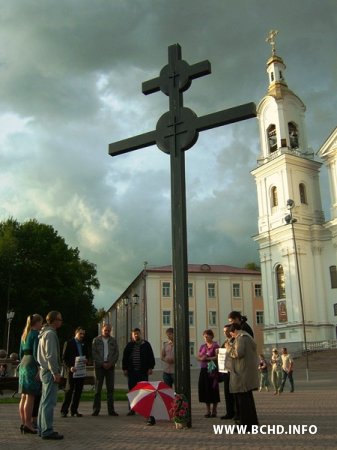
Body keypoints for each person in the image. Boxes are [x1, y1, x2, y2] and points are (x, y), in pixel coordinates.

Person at [225, 322, 259, 431]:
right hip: (246, 373)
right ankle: (252, 423)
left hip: (241, 374)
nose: (232, 336)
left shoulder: (241, 338)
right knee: (248, 401)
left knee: (243, 402)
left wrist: (229, 347)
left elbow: (238, 353)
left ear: (234, 331)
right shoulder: (248, 336)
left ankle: (245, 425)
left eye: (232, 334)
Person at [37, 311, 64, 440]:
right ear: (53, 320)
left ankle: (41, 428)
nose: (61, 321)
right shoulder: (51, 334)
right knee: (49, 402)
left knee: (44, 401)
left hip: (44, 370)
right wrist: (56, 372)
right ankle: (47, 430)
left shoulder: (43, 333)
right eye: (59, 319)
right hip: (49, 371)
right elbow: (51, 356)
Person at [18, 314, 43, 434]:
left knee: (23, 396)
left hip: (23, 364)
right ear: (36, 323)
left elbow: (20, 353)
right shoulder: (35, 335)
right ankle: (29, 424)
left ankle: (23, 423)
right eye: (41, 322)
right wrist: (39, 369)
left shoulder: (24, 334)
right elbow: (36, 353)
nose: (41, 325)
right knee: (31, 396)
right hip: (31, 365)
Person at [122, 328, 155, 416]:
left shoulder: (146, 344)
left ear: (141, 334)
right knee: (132, 391)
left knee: (144, 391)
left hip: (143, 372)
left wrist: (150, 367)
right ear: (132, 335)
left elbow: (150, 356)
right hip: (132, 372)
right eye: (134, 334)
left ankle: (144, 409)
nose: (136, 335)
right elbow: (125, 357)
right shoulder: (129, 345)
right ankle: (132, 409)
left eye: (137, 333)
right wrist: (124, 368)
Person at [92, 323, 119, 416]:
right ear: (102, 330)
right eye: (105, 330)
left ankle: (111, 410)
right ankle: (96, 410)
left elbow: (116, 353)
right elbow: (94, 353)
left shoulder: (113, 340)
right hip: (99, 367)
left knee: (110, 389)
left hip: (110, 367)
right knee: (97, 389)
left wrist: (110, 363)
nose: (107, 332)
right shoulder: (96, 340)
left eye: (109, 330)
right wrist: (102, 363)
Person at [60, 327, 88, 418]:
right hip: (71, 371)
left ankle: (74, 410)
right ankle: (64, 411)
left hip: (81, 370)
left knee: (78, 391)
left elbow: (86, 355)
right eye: (80, 334)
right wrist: (70, 367)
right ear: (76, 333)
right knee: (69, 391)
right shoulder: (68, 343)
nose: (82, 335)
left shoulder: (84, 343)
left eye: (83, 334)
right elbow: (64, 358)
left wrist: (86, 360)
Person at [197, 329, 220, 418]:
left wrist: (208, 358)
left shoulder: (215, 345)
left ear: (211, 336)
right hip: (203, 369)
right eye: (204, 337)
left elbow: (217, 357)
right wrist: (201, 358)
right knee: (205, 389)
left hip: (212, 369)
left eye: (207, 336)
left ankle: (214, 409)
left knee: (213, 388)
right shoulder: (203, 346)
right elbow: (199, 356)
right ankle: (207, 410)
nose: (206, 338)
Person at [219, 325, 235, 420]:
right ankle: (229, 412)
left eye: (227, 331)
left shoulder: (234, 341)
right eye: (224, 331)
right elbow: (222, 352)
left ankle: (235, 412)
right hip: (225, 370)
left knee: (233, 393)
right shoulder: (225, 341)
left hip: (233, 370)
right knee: (227, 392)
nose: (225, 333)